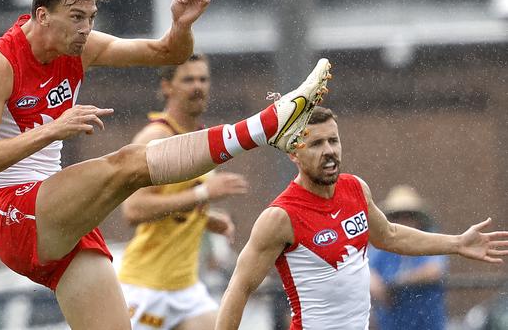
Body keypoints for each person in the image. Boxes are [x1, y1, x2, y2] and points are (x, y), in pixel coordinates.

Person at [0, 0, 331, 328]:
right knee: (128, 164)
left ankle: (270, 130)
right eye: (76, 17)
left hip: (59, 219)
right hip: (7, 209)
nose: (86, 29)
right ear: (42, 15)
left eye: (91, 17)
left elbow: (167, 53)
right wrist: (51, 131)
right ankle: (267, 128)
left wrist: (180, 26)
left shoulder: (80, 49)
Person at [214, 106, 508, 330]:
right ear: (294, 154)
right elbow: (240, 287)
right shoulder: (280, 217)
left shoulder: (355, 189)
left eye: (333, 140)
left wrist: (456, 243)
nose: (329, 151)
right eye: (316, 144)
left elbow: (390, 235)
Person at [118, 54, 248, 330]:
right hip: (146, 288)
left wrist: (207, 217)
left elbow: (175, 201)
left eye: (203, 78)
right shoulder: (155, 139)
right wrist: (204, 195)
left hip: (186, 289)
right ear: (167, 87)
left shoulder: (198, 138)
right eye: (188, 79)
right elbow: (133, 209)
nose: (197, 86)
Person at [369, 185, 448, 330]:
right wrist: (376, 286)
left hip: (427, 323)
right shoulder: (382, 246)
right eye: (398, 216)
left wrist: (401, 281)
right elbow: (366, 268)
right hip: (392, 323)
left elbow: (435, 270)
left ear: (418, 219)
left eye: (409, 215)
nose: (404, 221)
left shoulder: (430, 241)